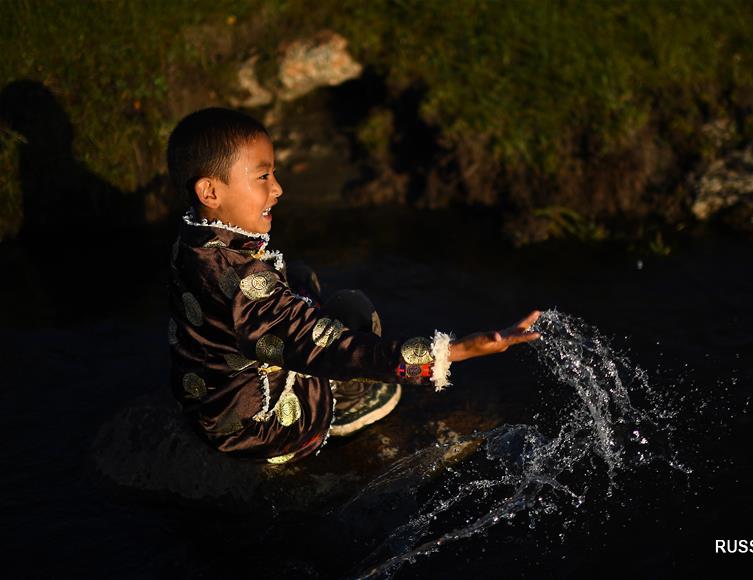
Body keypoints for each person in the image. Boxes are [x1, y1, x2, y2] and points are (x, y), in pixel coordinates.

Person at [166, 107, 541, 464]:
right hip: (255, 426)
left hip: (205, 396)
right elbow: (340, 347)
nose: (278, 189)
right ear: (210, 193)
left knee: (298, 278)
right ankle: (346, 400)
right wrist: (455, 351)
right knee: (352, 311)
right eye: (263, 177)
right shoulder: (245, 283)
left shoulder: (193, 239)